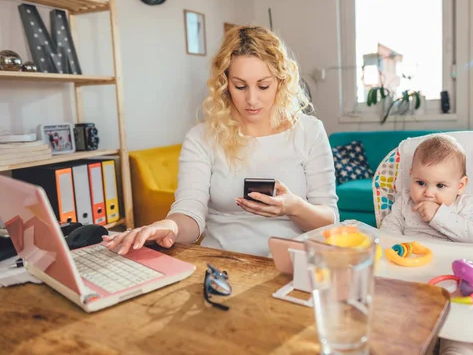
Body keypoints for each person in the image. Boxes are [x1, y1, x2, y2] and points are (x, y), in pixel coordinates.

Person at [103, 25, 339, 257]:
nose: (252, 99)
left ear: (281, 81)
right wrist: (168, 227)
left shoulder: (309, 131)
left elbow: (329, 219)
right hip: (223, 263)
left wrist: (292, 207)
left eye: (263, 86)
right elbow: (190, 212)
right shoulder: (201, 138)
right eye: (240, 86)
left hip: (291, 264)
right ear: (225, 84)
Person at [380, 134, 473, 355]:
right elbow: (388, 233)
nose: (429, 192)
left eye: (440, 185)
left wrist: (439, 215)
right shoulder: (404, 203)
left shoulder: (468, 205)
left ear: (460, 185)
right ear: (410, 177)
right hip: (412, 276)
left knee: (460, 329)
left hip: (454, 278)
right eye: (421, 183)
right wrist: (396, 251)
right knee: (408, 332)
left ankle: (457, 347)